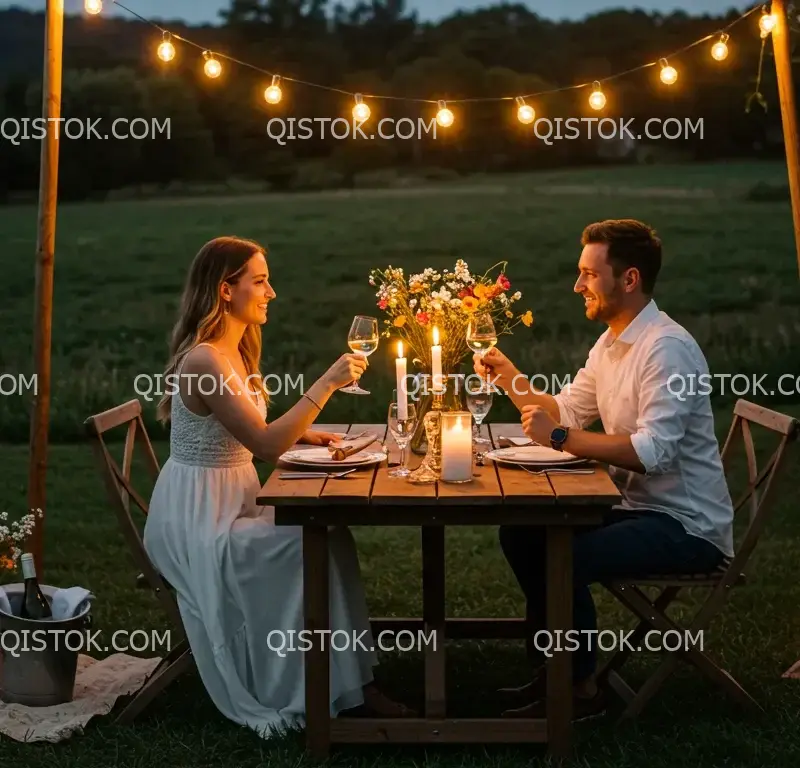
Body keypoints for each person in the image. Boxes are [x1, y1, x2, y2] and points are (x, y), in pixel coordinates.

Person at [143, 235, 413, 738]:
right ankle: (315, 689)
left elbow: (248, 428)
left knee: (330, 534)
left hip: (232, 501)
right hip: (201, 523)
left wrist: (305, 431)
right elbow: (267, 446)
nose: (272, 293)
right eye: (261, 281)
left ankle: (350, 684)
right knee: (304, 542)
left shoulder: (235, 351)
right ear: (226, 290)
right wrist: (326, 384)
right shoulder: (204, 361)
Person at [474, 219, 734, 720]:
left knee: (561, 553)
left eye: (589, 275)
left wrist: (560, 439)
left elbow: (651, 451)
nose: (577, 286)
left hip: (686, 526)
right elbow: (566, 412)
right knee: (522, 532)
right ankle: (557, 676)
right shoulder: (613, 343)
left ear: (629, 279)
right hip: (638, 507)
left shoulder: (666, 349)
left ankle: (577, 691)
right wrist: (510, 377)